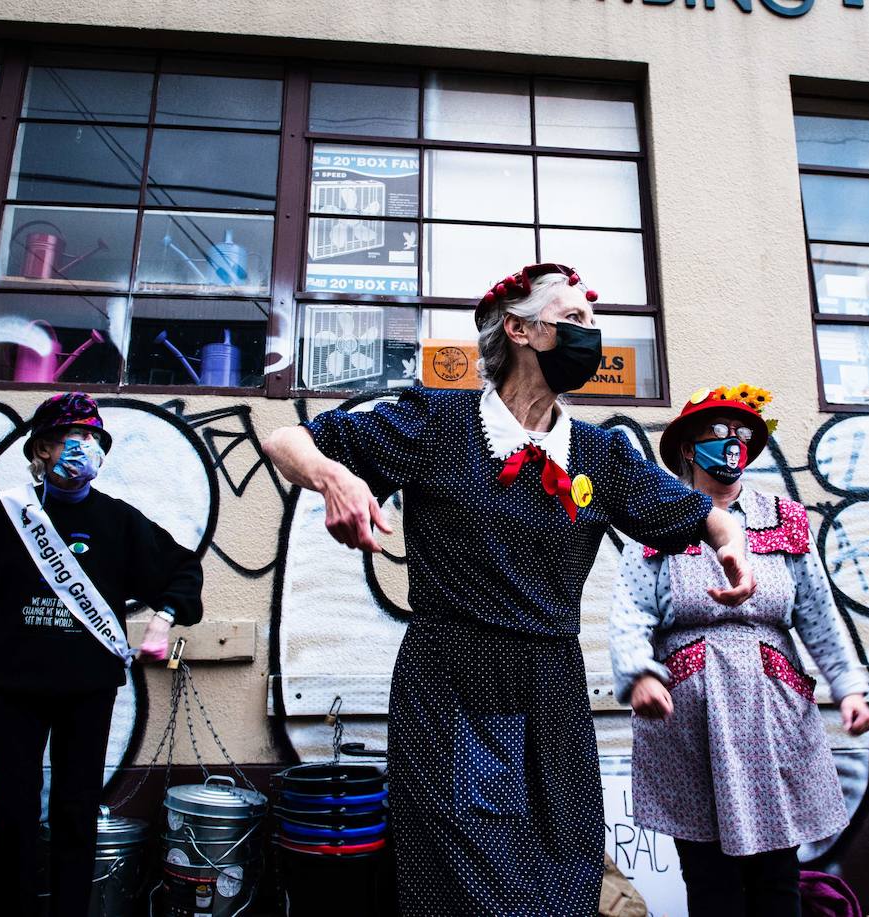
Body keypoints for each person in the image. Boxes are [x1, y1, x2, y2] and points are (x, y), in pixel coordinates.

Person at [262, 263, 757, 916]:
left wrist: (730, 541)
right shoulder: (438, 424)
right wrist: (336, 478)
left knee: (564, 871)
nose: (590, 333)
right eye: (573, 318)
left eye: (593, 321)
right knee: (466, 882)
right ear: (520, 330)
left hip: (553, 690)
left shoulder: (600, 455)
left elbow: (702, 513)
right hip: (452, 686)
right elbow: (284, 439)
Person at [0, 391, 203, 917]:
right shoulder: (3, 517)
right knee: (13, 812)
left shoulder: (118, 521)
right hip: (13, 686)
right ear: (42, 448)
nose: (86, 447)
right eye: (74, 436)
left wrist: (164, 616)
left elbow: (182, 570)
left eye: (94, 438)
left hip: (88, 688)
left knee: (76, 812)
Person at [609, 383, 869, 917]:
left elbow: (818, 613)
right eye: (718, 431)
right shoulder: (660, 521)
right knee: (711, 881)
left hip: (772, 715)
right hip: (691, 721)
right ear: (688, 447)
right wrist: (639, 674)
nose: (733, 442)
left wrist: (848, 687)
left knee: (777, 874)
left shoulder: (785, 518)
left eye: (742, 433)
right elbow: (631, 611)